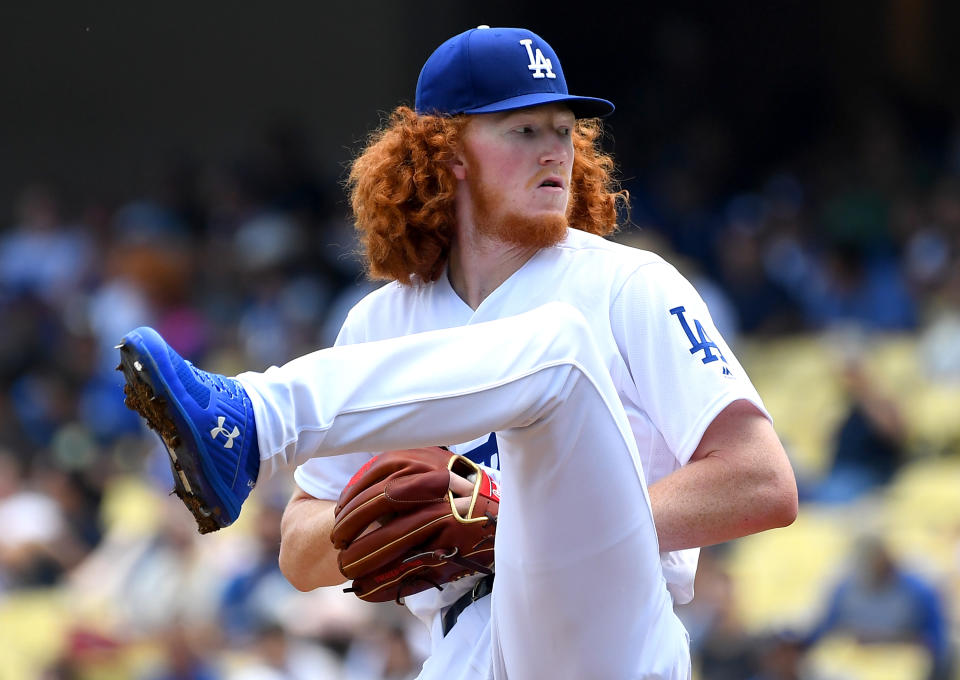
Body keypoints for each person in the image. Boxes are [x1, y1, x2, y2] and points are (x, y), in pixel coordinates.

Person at [118, 26, 798, 680]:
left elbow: (762, 482)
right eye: (523, 130)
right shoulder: (382, 321)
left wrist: (517, 519)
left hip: (604, 613)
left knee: (561, 345)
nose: (554, 150)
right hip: (458, 643)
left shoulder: (627, 284)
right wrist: (402, 523)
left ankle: (256, 417)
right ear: (446, 153)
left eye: (563, 129)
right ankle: (253, 425)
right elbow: (298, 551)